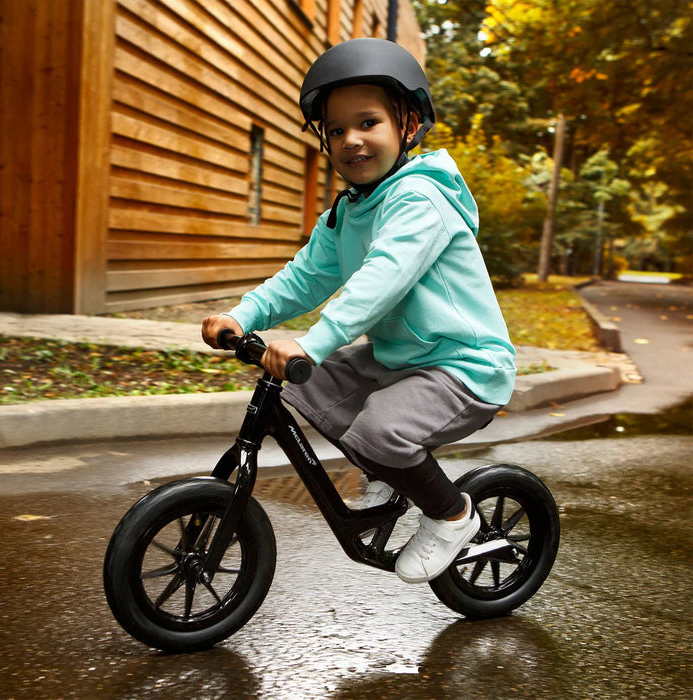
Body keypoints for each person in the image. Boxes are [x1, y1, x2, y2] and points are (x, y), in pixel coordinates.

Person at [202, 38, 516, 584]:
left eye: (368, 122)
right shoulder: (349, 211)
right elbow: (303, 277)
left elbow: (382, 279)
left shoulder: (421, 200)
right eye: (337, 129)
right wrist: (244, 313)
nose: (351, 139)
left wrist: (314, 340)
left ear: (409, 124)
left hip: (466, 367)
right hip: (402, 359)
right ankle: (390, 467)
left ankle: (452, 515)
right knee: (307, 386)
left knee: (376, 429)